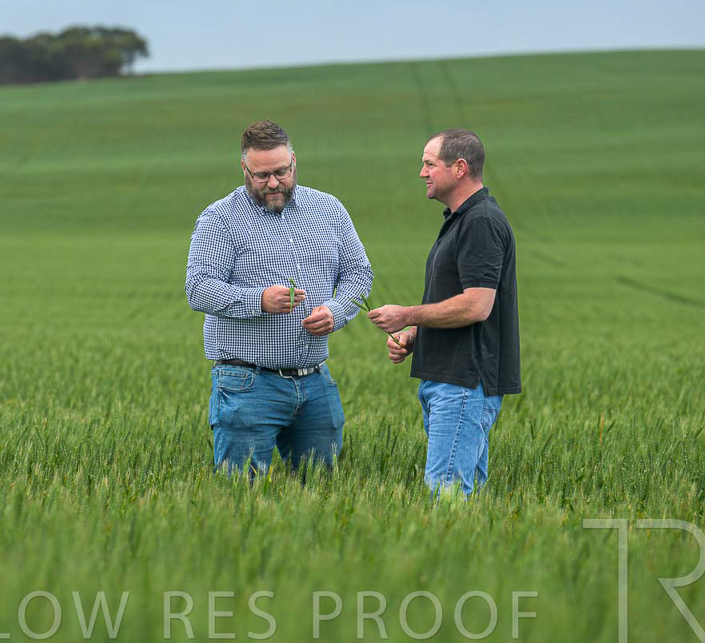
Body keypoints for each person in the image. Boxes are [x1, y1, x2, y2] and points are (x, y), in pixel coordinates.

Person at [185, 120, 374, 475]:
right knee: (241, 492)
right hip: (247, 385)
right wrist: (259, 301)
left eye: (281, 172)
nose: (273, 183)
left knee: (321, 489)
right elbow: (198, 288)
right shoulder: (220, 218)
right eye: (261, 175)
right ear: (244, 169)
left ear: (294, 162)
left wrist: (336, 312)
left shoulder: (329, 209)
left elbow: (359, 274)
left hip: (316, 382)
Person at [367, 129, 520, 497]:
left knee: (445, 496)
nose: (422, 172)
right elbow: (458, 302)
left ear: (460, 168)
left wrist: (407, 315)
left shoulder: (481, 221)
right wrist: (417, 335)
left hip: (463, 382)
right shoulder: (460, 219)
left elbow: (477, 306)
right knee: (462, 499)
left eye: (430, 164)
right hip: (449, 379)